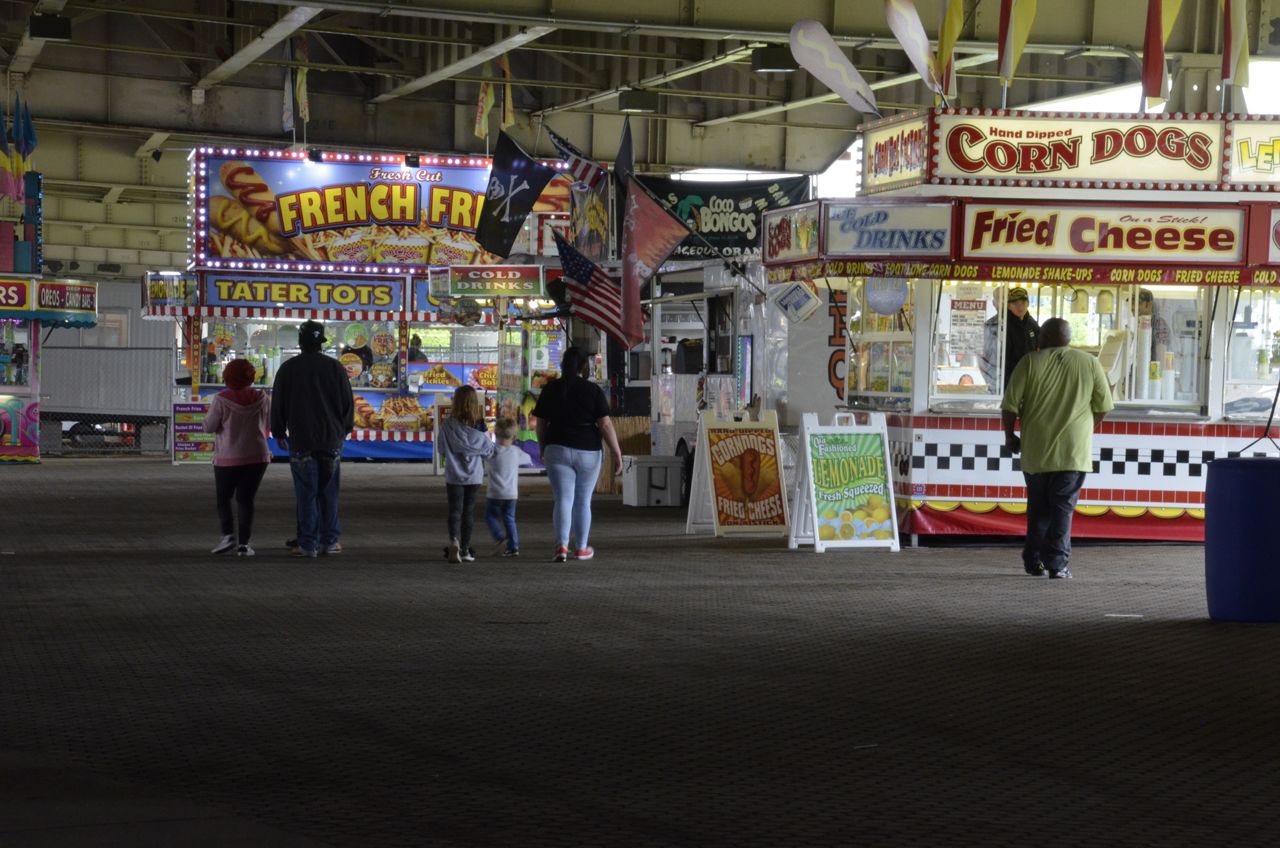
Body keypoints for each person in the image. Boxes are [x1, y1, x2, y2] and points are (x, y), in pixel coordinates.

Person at [1001, 317, 1114, 580]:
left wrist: (1010, 436)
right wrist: (1085, 427)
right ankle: (1058, 564)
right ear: (1068, 338)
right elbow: (1104, 407)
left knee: (1038, 508)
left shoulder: (1029, 362)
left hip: (1036, 451)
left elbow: (1009, 406)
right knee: (1063, 508)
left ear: (1042, 338)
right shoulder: (1089, 363)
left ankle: (1034, 561)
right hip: (1073, 452)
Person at [271, 320, 355, 558]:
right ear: (321, 343)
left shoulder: (288, 369)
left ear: (300, 343)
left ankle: (307, 544)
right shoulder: (336, 368)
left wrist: (278, 432)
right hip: (331, 440)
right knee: (328, 492)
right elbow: (347, 404)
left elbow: (278, 403)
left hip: (301, 440)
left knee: (306, 493)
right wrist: (344, 430)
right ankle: (330, 541)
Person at [532, 346, 624, 562]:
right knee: (583, 501)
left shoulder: (551, 389)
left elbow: (541, 423)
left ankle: (561, 547)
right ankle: (581, 548)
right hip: (588, 451)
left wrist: (542, 446)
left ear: (563, 365)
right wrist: (616, 452)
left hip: (557, 448)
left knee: (563, 499)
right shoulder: (592, 391)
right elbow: (605, 424)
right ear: (584, 367)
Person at [204, 358, 271, 557]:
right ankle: (244, 544)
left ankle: (227, 536)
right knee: (246, 500)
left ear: (227, 377)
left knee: (224, 498)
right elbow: (269, 425)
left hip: (227, 456)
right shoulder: (262, 397)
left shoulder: (220, 399)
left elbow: (209, 427)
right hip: (258, 456)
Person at [439, 385, 495, 563]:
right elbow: (488, 450)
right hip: (474, 476)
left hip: (454, 475)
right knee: (468, 512)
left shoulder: (448, 424)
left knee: (455, 511)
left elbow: (441, 448)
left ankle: (453, 540)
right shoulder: (480, 426)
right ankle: (464, 550)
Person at [484, 417, 533, 557]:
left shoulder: (491, 451)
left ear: (494, 433)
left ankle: (500, 537)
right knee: (509, 519)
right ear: (514, 436)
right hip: (511, 494)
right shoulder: (516, 452)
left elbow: (481, 455)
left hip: (494, 493)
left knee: (490, 516)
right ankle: (513, 546)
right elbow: (528, 459)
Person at [981, 286, 1040, 391]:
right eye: (1015, 303)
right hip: (1007, 382)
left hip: (1031, 380)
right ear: (1008, 305)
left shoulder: (1032, 324)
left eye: (1023, 302)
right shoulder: (998, 325)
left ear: (1028, 303)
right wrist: (993, 384)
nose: (1020, 306)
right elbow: (988, 359)